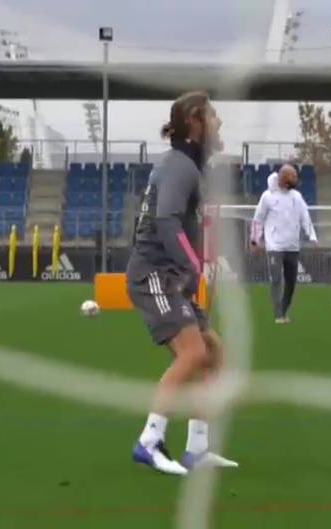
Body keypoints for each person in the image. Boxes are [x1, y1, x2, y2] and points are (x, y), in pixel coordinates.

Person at [126, 91, 238, 475]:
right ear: (194, 123)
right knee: (192, 354)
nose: (220, 124)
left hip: (173, 275)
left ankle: (196, 449)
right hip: (156, 273)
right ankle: (149, 442)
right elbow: (166, 221)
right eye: (214, 117)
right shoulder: (179, 166)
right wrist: (195, 267)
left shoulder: (186, 165)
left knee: (215, 354)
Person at [250, 164, 317, 323]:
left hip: (292, 245)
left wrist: (312, 236)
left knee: (291, 281)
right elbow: (258, 219)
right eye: (293, 176)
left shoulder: (297, 197)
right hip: (275, 245)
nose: (296, 179)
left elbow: (305, 217)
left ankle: (284, 309)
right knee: (276, 278)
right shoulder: (267, 197)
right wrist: (255, 239)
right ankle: (278, 313)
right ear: (283, 177)